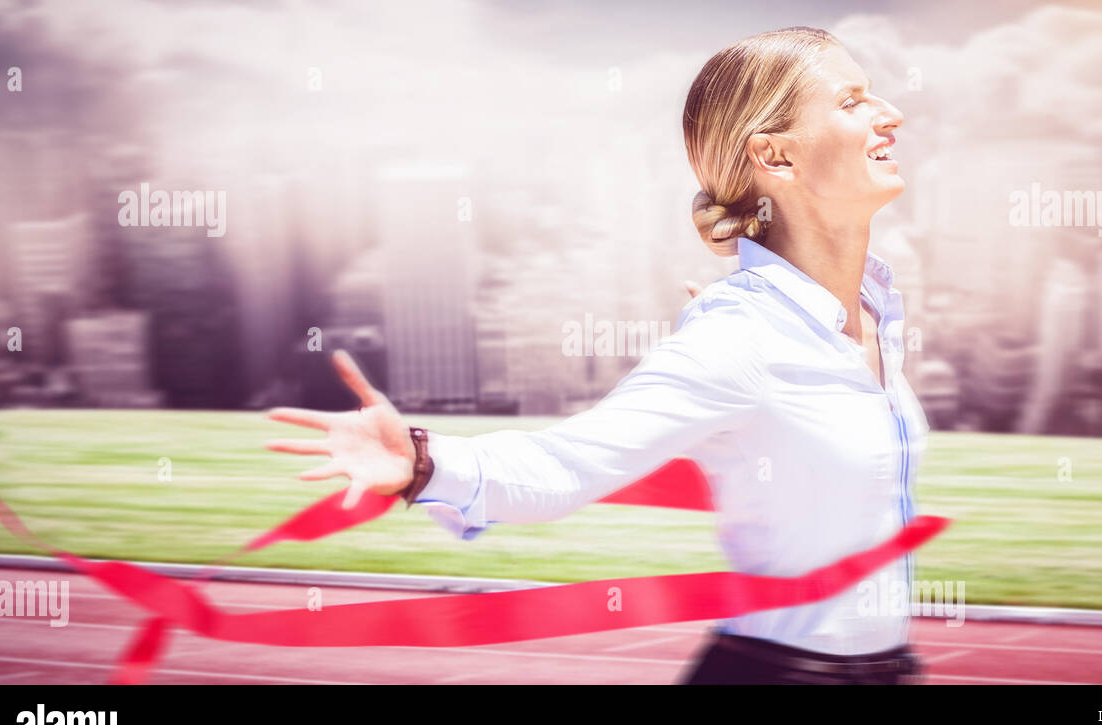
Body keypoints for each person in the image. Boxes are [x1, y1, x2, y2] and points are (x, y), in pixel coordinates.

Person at [267, 26, 928, 685]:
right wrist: (420, 460)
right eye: (852, 102)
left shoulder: (872, 312)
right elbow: (567, 466)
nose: (889, 115)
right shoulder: (741, 336)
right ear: (776, 157)